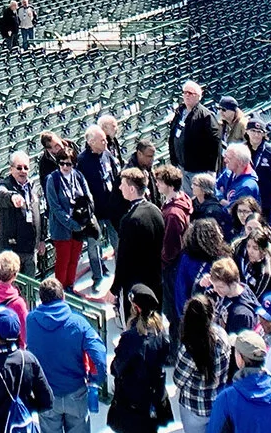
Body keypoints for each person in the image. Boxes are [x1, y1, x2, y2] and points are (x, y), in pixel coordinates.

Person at [25, 276, 108, 433]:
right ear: (62, 297)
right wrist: (95, 379)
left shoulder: (31, 321)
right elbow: (100, 356)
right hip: (76, 395)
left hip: (46, 398)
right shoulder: (78, 323)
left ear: (41, 299)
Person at [108, 284, 175, 433]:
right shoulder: (161, 333)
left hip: (132, 402)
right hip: (155, 400)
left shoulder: (131, 337)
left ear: (135, 307)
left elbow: (117, 368)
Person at [174, 287, 234, 433]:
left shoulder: (189, 348)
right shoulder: (222, 337)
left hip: (193, 408)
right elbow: (223, 372)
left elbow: (179, 379)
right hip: (217, 405)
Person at [43, 145, 94, 294]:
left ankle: (70, 286)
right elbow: (55, 207)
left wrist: (85, 218)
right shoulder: (52, 180)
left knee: (74, 259)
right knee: (63, 261)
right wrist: (72, 224)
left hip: (79, 225)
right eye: (62, 163)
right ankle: (60, 290)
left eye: (68, 163)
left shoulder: (78, 176)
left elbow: (88, 196)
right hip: (62, 228)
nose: (65, 166)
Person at [110, 167, 164, 305]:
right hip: (156, 279)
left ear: (132, 189)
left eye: (123, 184)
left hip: (137, 286)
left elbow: (123, 258)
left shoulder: (129, 220)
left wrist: (114, 289)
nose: (120, 188)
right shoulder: (156, 210)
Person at [77, 124, 121, 293]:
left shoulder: (107, 155)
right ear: (91, 142)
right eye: (102, 140)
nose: (105, 143)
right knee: (94, 245)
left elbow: (115, 176)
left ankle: (120, 274)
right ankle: (97, 276)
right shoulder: (82, 161)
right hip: (93, 213)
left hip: (110, 209)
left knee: (116, 242)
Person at [155, 163, 193, 315]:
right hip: (177, 263)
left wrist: (161, 263)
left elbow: (171, 248)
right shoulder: (182, 198)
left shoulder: (173, 214)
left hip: (172, 267)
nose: (156, 184)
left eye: (160, 182)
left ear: (170, 186)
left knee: (171, 309)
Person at [0, 152, 41, 275]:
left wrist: (41, 240)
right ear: (11, 169)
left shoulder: (32, 185)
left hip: (30, 249)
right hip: (12, 251)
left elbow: (37, 214)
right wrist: (12, 197)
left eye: (26, 168)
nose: (23, 171)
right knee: (12, 289)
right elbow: (1, 196)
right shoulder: (5, 185)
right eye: (19, 168)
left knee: (29, 286)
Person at [167, 80, 221, 183]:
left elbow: (214, 143)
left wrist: (211, 170)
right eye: (185, 92)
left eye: (190, 93)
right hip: (180, 166)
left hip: (197, 169)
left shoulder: (206, 115)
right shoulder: (180, 112)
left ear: (198, 96)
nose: (187, 95)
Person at [174, 214, 231, 308]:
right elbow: (182, 288)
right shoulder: (189, 259)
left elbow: (180, 290)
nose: (221, 235)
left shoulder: (223, 255)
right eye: (216, 233)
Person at [207, 255, 262, 336]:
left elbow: (239, 346)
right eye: (213, 285)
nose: (215, 290)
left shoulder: (242, 315)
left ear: (233, 283)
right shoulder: (238, 288)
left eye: (220, 287)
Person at [238, 226, 271, 299]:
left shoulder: (266, 273)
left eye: (255, 248)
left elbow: (255, 298)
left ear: (263, 251)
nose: (250, 251)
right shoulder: (248, 260)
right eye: (248, 246)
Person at [216, 142, 260, 212]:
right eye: (225, 156)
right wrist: (221, 198)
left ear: (240, 162)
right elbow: (213, 187)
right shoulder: (229, 172)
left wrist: (220, 200)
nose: (225, 160)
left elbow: (231, 211)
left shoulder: (247, 186)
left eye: (229, 158)